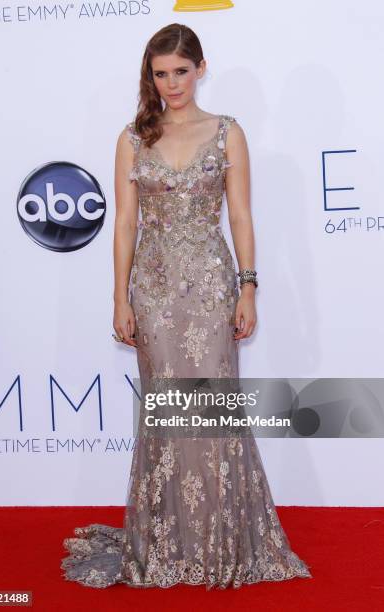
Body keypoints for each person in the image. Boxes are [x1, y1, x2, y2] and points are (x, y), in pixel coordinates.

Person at [61, 22, 312, 590]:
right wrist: (119, 296)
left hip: (209, 287)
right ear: (149, 77)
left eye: (180, 71)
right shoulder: (132, 137)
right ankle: (166, 540)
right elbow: (125, 222)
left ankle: (221, 541)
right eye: (160, 74)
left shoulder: (228, 133)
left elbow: (241, 215)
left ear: (201, 69)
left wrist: (249, 286)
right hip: (152, 291)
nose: (171, 83)